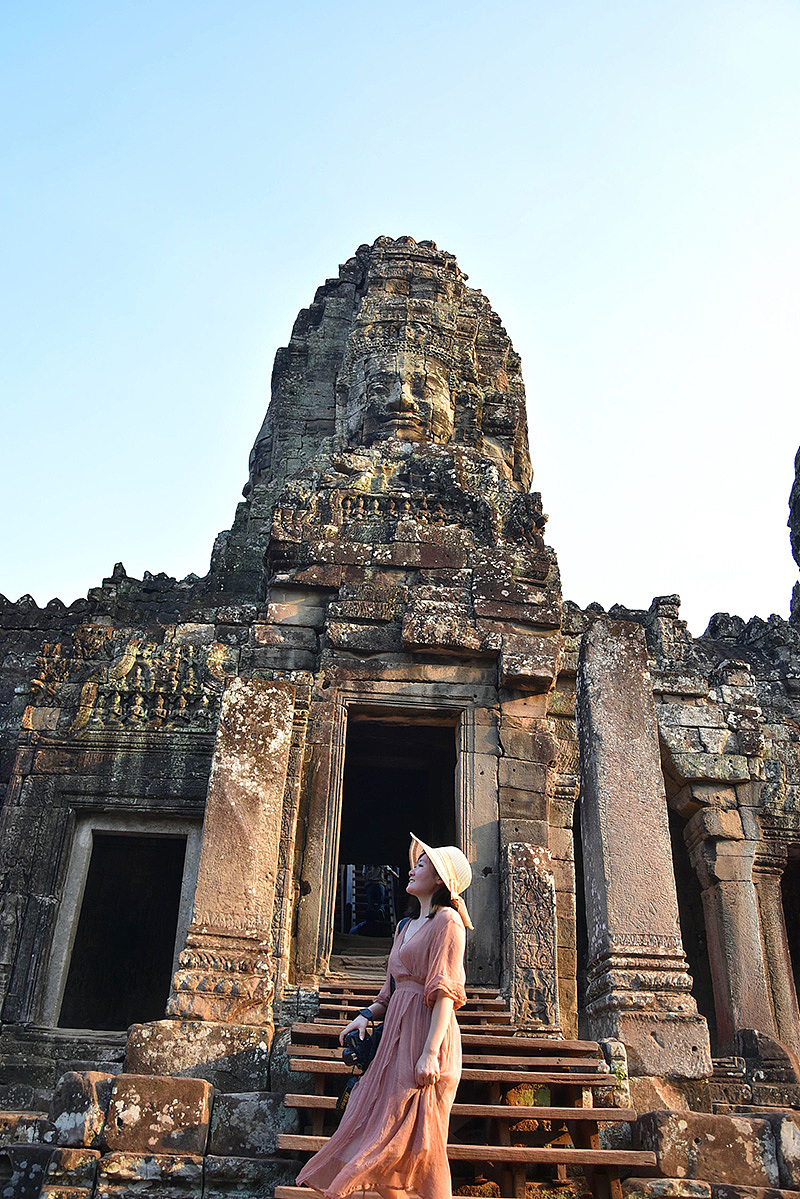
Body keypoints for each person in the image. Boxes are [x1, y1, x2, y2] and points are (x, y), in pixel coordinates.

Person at [296, 832, 474, 1199]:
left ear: (440, 878)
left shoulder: (448, 922)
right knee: (371, 1127)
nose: (412, 870)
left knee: (422, 1142)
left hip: (428, 1037)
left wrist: (428, 1053)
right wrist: (364, 1015)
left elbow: (445, 992)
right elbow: (390, 993)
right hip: (394, 1038)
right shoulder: (403, 927)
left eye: (421, 864)